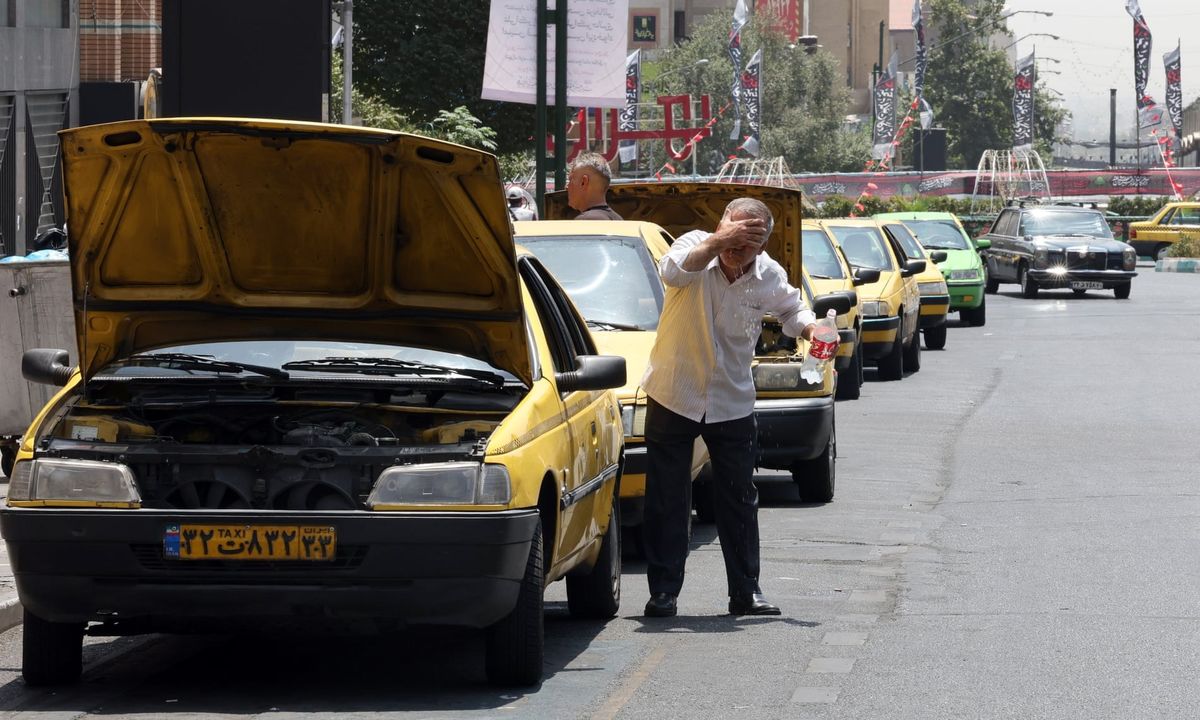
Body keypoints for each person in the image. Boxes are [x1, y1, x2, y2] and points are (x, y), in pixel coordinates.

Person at [639, 197, 829, 618]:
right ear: (721, 223)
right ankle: (664, 592)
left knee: (739, 497)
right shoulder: (693, 246)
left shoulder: (767, 274)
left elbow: (791, 308)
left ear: (764, 243)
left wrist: (813, 327)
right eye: (734, 232)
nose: (738, 246)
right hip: (674, 391)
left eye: (750, 239)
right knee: (667, 498)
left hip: (731, 398)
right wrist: (717, 241)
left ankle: (746, 591)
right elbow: (673, 271)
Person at [566, 152, 623, 220]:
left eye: (570, 180)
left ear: (584, 182)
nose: (566, 187)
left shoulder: (586, 220)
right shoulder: (618, 219)